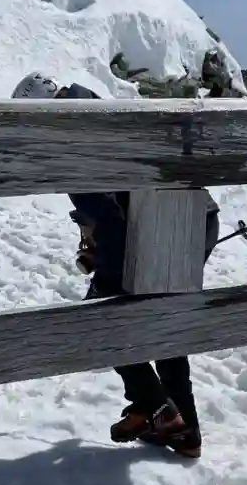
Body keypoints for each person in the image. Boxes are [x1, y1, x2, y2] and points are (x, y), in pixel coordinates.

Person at [11, 72, 220, 459]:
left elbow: (111, 222)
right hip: (196, 217)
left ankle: (154, 405)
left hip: (161, 227)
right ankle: (182, 428)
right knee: (164, 316)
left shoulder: (66, 141)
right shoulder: (101, 110)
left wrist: (107, 273)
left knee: (99, 315)